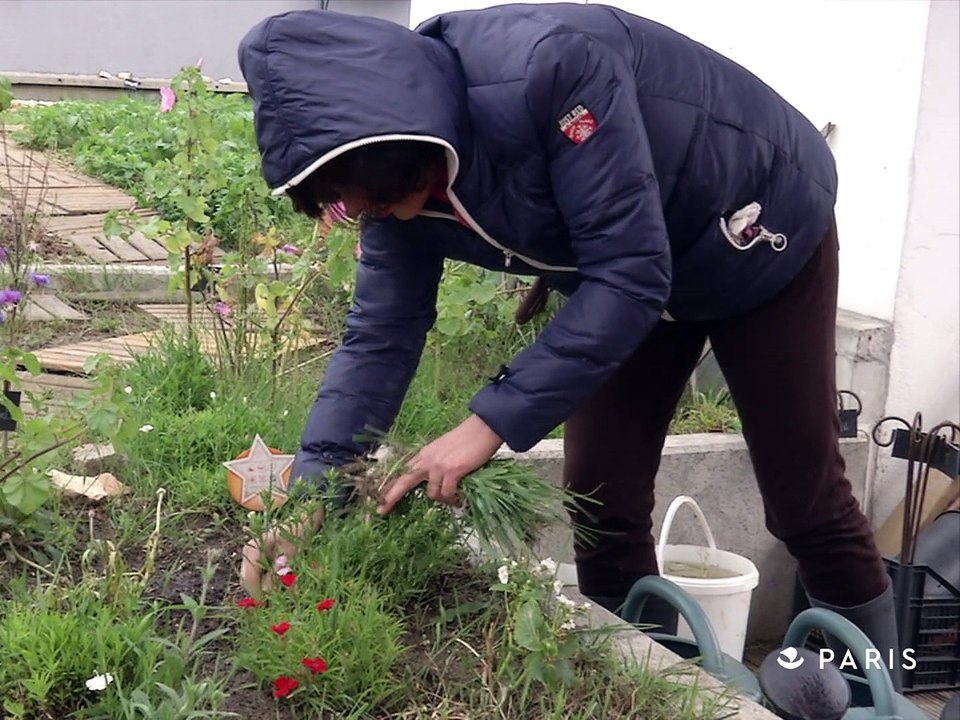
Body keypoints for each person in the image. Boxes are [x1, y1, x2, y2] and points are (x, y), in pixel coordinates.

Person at [235, 2, 902, 687]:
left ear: (399, 147)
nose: (365, 214)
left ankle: (875, 691)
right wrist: (312, 496)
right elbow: (379, 336)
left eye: (363, 197)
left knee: (803, 496)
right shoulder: (388, 174)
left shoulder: (549, 68)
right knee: (600, 493)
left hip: (758, 231)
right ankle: (653, 685)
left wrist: (485, 425)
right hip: (629, 268)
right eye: (346, 204)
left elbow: (631, 274)